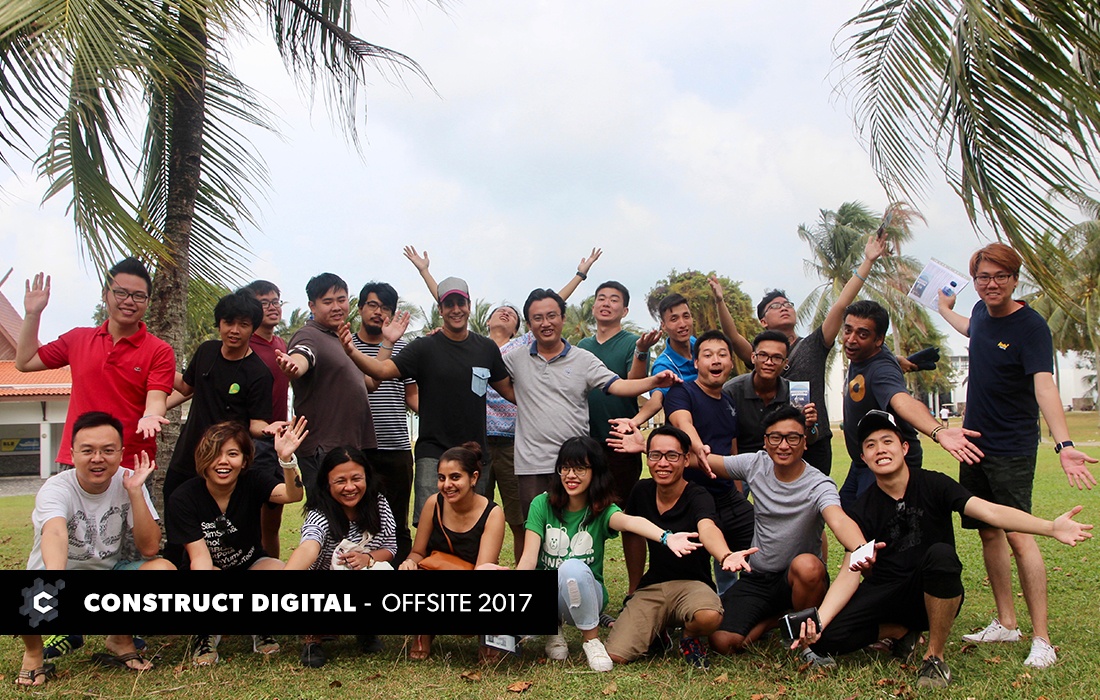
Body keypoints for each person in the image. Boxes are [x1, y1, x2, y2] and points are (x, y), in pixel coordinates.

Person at [792, 410, 1092, 688]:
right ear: (863, 457)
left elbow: (991, 512)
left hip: (935, 590)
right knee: (824, 640)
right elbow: (849, 570)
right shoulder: (861, 508)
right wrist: (819, 622)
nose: (880, 449)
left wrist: (1050, 528)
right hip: (887, 592)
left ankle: (934, 656)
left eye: (887, 441)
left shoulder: (935, 484)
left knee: (941, 555)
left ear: (904, 448)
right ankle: (898, 632)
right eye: (871, 445)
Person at [937, 242, 1098, 667]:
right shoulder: (978, 315)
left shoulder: (1031, 327)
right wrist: (943, 309)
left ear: (1014, 279)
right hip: (973, 444)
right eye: (983, 277)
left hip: (1012, 447)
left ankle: (1042, 639)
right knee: (989, 530)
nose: (991, 284)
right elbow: (970, 330)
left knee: (1020, 534)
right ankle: (1007, 623)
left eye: (1000, 276)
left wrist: (1064, 445)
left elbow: (1044, 386)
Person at [402, 246, 601, 560]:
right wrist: (425, 271)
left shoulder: (522, 346)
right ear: (487, 319)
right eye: (499, 311)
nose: (504, 313)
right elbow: (450, 304)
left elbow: (549, 309)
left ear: (519, 326)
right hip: (474, 441)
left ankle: (521, 566)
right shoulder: (474, 344)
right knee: (460, 508)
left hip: (511, 442)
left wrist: (580, 275)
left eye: (512, 313)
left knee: (518, 517)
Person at [512, 436, 701, 671]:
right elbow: (529, 559)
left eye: (580, 468)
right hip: (548, 596)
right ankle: (553, 630)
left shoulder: (602, 509)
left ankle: (591, 641)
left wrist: (666, 536)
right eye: (565, 468)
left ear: (596, 472)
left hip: (587, 592)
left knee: (572, 568)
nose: (571, 475)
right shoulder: (542, 504)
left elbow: (631, 522)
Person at [18, 411, 175, 687]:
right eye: (88, 450)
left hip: (107, 573)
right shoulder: (56, 488)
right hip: (59, 571)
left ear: (120, 452)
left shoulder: (128, 480)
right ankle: (33, 654)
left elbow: (150, 547)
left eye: (108, 450)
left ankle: (119, 637)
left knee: (163, 569)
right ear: (72, 453)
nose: (98, 458)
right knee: (30, 587)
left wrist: (136, 493)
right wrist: (55, 578)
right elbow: (54, 531)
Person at [714, 234, 889, 475]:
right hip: (778, 444)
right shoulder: (763, 353)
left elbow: (840, 305)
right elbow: (733, 336)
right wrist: (720, 301)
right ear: (763, 321)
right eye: (775, 306)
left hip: (815, 441)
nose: (784, 307)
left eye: (788, 303)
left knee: (814, 502)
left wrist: (868, 261)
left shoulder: (815, 344)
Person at [703, 405, 862, 664]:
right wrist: (645, 447)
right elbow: (705, 461)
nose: (783, 445)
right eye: (775, 437)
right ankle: (781, 619)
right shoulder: (755, 463)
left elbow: (838, 518)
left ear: (804, 443)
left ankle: (805, 640)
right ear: (766, 442)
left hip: (798, 580)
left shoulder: (819, 484)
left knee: (808, 566)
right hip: (758, 577)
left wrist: (860, 547)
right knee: (722, 642)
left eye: (793, 438)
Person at [504, 288, 682, 516]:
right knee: (535, 530)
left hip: (575, 463)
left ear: (563, 318)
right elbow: (493, 374)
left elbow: (618, 385)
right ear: (529, 324)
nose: (545, 323)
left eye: (552, 316)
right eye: (537, 318)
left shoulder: (583, 358)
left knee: (578, 530)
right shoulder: (515, 359)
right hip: (532, 465)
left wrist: (653, 381)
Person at [350, 272, 511, 523]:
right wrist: (351, 348)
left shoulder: (486, 348)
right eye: (449, 304)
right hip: (432, 453)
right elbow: (380, 371)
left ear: (469, 306)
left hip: (475, 455)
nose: (456, 310)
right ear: (440, 309)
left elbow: (511, 392)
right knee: (430, 525)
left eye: (461, 303)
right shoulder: (423, 347)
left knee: (473, 526)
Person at [606, 425, 757, 670]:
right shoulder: (642, 491)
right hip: (653, 586)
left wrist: (724, 554)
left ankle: (688, 637)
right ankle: (660, 634)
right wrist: (633, 588)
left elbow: (707, 528)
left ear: (686, 460)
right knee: (617, 655)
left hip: (693, 585)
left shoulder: (698, 495)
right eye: (655, 455)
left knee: (709, 616)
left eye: (672, 456)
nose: (662, 463)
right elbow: (632, 535)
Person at [166, 418, 307, 665]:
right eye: (215, 454)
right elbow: (199, 559)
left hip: (249, 564)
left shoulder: (252, 481)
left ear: (244, 460)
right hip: (208, 568)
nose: (223, 462)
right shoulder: (184, 498)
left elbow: (293, 495)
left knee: (278, 569)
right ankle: (206, 633)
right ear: (203, 458)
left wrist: (286, 459)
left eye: (232, 454)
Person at [16, 259, 174, 469]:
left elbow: (156, 398)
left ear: (147, 301)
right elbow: (25, 362)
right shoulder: (77, 339)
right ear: (104, 295)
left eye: (138, 296)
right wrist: (33, 314)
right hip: (77, 459)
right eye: (121, 293)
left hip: (130, 463)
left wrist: (151, 416)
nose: (129, 301)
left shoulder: (159, 350)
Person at [839, 300, 982, 507]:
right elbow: (885, 356)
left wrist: (938, 431)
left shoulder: (881, 372)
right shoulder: (868, 355)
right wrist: (902, 361)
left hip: (891, 461)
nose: (851, 340)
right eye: (847, 330)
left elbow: (902, 402)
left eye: (862, 334)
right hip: (863, 461)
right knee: (847, 515)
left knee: (877, 526)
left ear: (878, 340)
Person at [285, 446, 397, 667]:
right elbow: (309, 546)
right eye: (340, 481)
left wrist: (369, 558)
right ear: (327, 483)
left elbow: (391, 548)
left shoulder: (378, 504)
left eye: (357, 478)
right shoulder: (320, 513)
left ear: (367, 477)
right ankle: (312, 640)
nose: (350, 487)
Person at [662, 330, 755, 593]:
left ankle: (743, 597)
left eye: (722, 354)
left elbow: (732, 451)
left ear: (730, 362)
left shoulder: (728, 401)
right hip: (692, 495)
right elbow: (683, 422)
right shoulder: (683, 393)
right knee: (695, 566)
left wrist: (738, 493)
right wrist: (698, 448)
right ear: (696, 362)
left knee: (756, 544)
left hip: (727, 495)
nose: (716, 360)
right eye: (708, 355)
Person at [163, 291, 273, 511]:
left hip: (224, 462)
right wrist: (151, 366)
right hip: (188, 453)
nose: (234, 330)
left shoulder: (259, 373)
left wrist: (274, 430)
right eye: (228, 322)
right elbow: (186, 387)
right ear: (219, 323)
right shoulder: (206, 351)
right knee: (174, 505)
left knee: (213, 522)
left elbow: (256, 424)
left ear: (253, 328)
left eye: (243, 324)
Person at [275, 273, 378, 504]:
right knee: (325, 518)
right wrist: (294, 365)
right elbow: (302, 355)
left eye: (341, 300)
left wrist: (388, 343)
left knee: (354, 519)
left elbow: (370, 383)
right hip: (324, 449)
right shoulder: (309, 334)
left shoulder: (342, 340)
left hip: (351, 445)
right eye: (327, 301)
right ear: (312, 305)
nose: (337, 307)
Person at [398, 442, 506, 662]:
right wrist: (409, 562)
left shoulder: (493, 513)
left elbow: (483, 568)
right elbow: (418, 552)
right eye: (441, 478)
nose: (447, 485)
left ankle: (488, 636)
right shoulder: (433, 504)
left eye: (455, 477)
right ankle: (423, 633)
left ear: (473, 478)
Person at [350, 281, 418, 562]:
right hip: (356, 448)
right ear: (360, 308)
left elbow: (413, 397)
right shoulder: (346, 346)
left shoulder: (404, 347)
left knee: (397, 522)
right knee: (357, 520)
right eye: (373, 305)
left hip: (396, 448)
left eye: (386, 308)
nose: (378, 312)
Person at [577, 281, 661, 506]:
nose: (606, 303)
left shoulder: (632, 342)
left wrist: (641, 351)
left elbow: (634, 382)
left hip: (620, 440)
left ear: (624, 311)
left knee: (625, 510)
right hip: (587, 439)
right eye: (601, 298)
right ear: (593, 306)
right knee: (588, 510)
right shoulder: (582, 346)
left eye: (614, 300)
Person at [241, 279, 292, 558]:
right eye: (265, 302)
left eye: (276, 301)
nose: (273, 307)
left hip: (278, 443)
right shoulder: (245, 345)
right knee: (248, 520)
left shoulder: (281, 343)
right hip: (251, 441)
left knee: (272, 523)